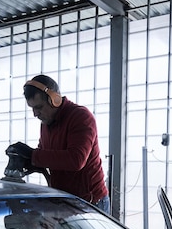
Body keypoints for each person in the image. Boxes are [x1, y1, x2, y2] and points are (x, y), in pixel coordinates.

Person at [6, 75, 110, 214]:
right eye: (32, 108)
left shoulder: (81, 117)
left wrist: (33, 155)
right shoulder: (46, 123)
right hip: (65, 200)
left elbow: (76, 160)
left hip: (90, 203)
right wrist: (27, 162)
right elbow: (46, 155)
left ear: (55, 100)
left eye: (39, 107)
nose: (35, 114)